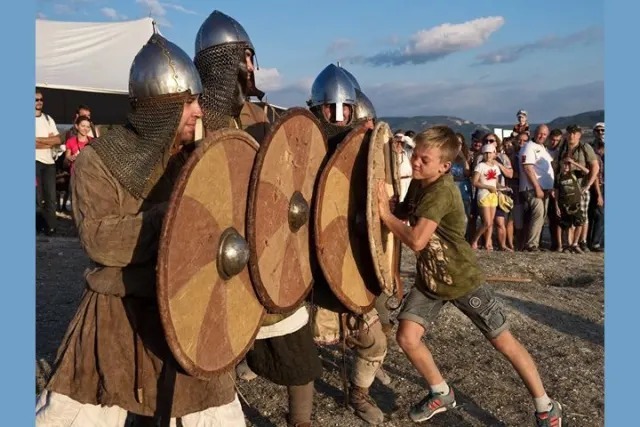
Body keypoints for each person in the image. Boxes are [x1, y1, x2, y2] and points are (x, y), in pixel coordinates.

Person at [36, 33, 246, 426]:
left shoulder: (197, 157)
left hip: (189, 307)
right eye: (188, 102)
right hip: (117, 311)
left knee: (215, 416)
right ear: (159, 109)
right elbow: (101, 241)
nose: (198, 111)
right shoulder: (98, 162)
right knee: (69, 417)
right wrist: (177, 216)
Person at [376, 125, 563, 426]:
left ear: (444, 166)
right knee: (407, 338)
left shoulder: (441, 191)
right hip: (431, 281)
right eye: (415, 156)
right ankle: (441, 392)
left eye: (424, 159)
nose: (416, 163)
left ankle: (546, 406)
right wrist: (386, 204)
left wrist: (385, 216)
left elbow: (417, 240)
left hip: (462, 279)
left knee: (503, 342)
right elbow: (403, 214)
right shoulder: (420, 183)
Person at [193, 10, 321, 427]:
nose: (252, 67)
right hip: (216, 251)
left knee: (295, 347)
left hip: (265, 246)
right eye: (247, 58)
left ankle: (300, 421)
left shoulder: (257, 116)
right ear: (230, 62)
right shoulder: (193, 119)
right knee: (212, 346)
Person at [307, 63, 389, 425]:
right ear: (317, 109)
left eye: (343, 109)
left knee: (375, 339)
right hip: (308, 266)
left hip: (352, 260)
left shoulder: (362, 156)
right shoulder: (303, 148)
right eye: (330, 108)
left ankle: (359, 393)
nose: (337, 116)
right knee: (296, 345)